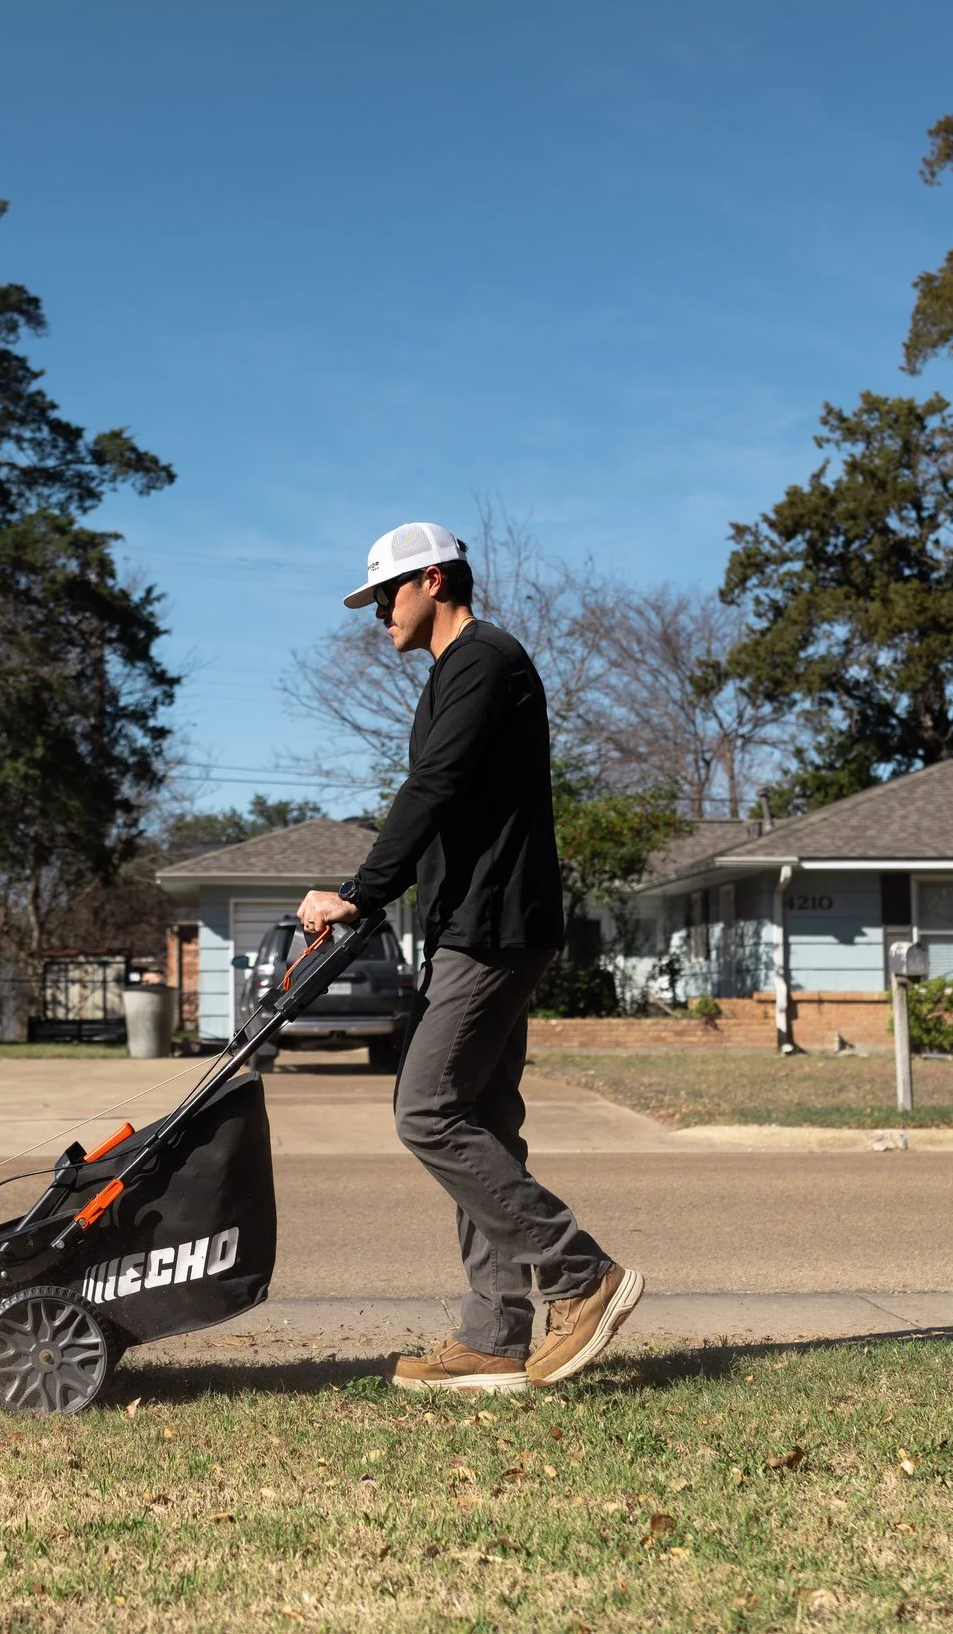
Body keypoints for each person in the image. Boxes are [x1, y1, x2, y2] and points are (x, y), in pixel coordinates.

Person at [296, 521, 640, 1393]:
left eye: (385, 596)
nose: (378, 615)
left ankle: (580, 1273)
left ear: (434, 581)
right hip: (471, 926)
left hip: (494, 928)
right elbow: (447, 800)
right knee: (481, 1124)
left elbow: (434, 786)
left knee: (427, 1111)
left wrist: (360, 890)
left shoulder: (486, 660)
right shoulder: (453, 676)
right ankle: (494, 1332)